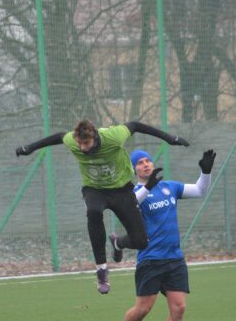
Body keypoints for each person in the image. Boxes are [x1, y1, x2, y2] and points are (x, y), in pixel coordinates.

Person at [16, 120, 188, 294]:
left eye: (86, 143)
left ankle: (118, 242)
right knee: (93, 212)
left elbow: (136, 125)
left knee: (141, 242)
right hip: (95, 189)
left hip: (121, 190)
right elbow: (59, 137)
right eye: (80, 143)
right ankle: (101, 269)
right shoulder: (73, 141)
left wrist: (170, 138)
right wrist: (30, 147)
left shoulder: (114, 137)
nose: (82, 148)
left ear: (94, 137)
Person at [109, 148, 216, 321]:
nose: (146, 164)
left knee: (179, 308)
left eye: (148, 160)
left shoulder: (170, 187)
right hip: (150, 260)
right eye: (140, 162)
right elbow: (129, 206)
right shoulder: (134, 192)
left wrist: (205, 171)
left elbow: (199, 190)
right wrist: (148, 187)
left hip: (174, 258)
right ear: (134, 169)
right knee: (142, 309)